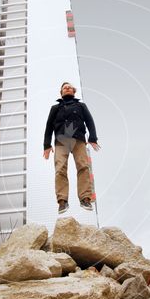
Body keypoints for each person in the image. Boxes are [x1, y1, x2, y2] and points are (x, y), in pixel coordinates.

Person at [43, 82, 100, 213]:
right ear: (61, 92)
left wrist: (93, 137)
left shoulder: (81, 106)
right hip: (61, 141)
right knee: (60, 169)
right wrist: (46, 145)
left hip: (78, 139)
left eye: (69, 87)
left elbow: (90, 121)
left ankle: (85, 198)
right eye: (64, 87)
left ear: (73, 91)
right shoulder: (55, 108)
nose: (67, 88)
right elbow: (48, 127)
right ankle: (62, 201)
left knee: (83, 166)